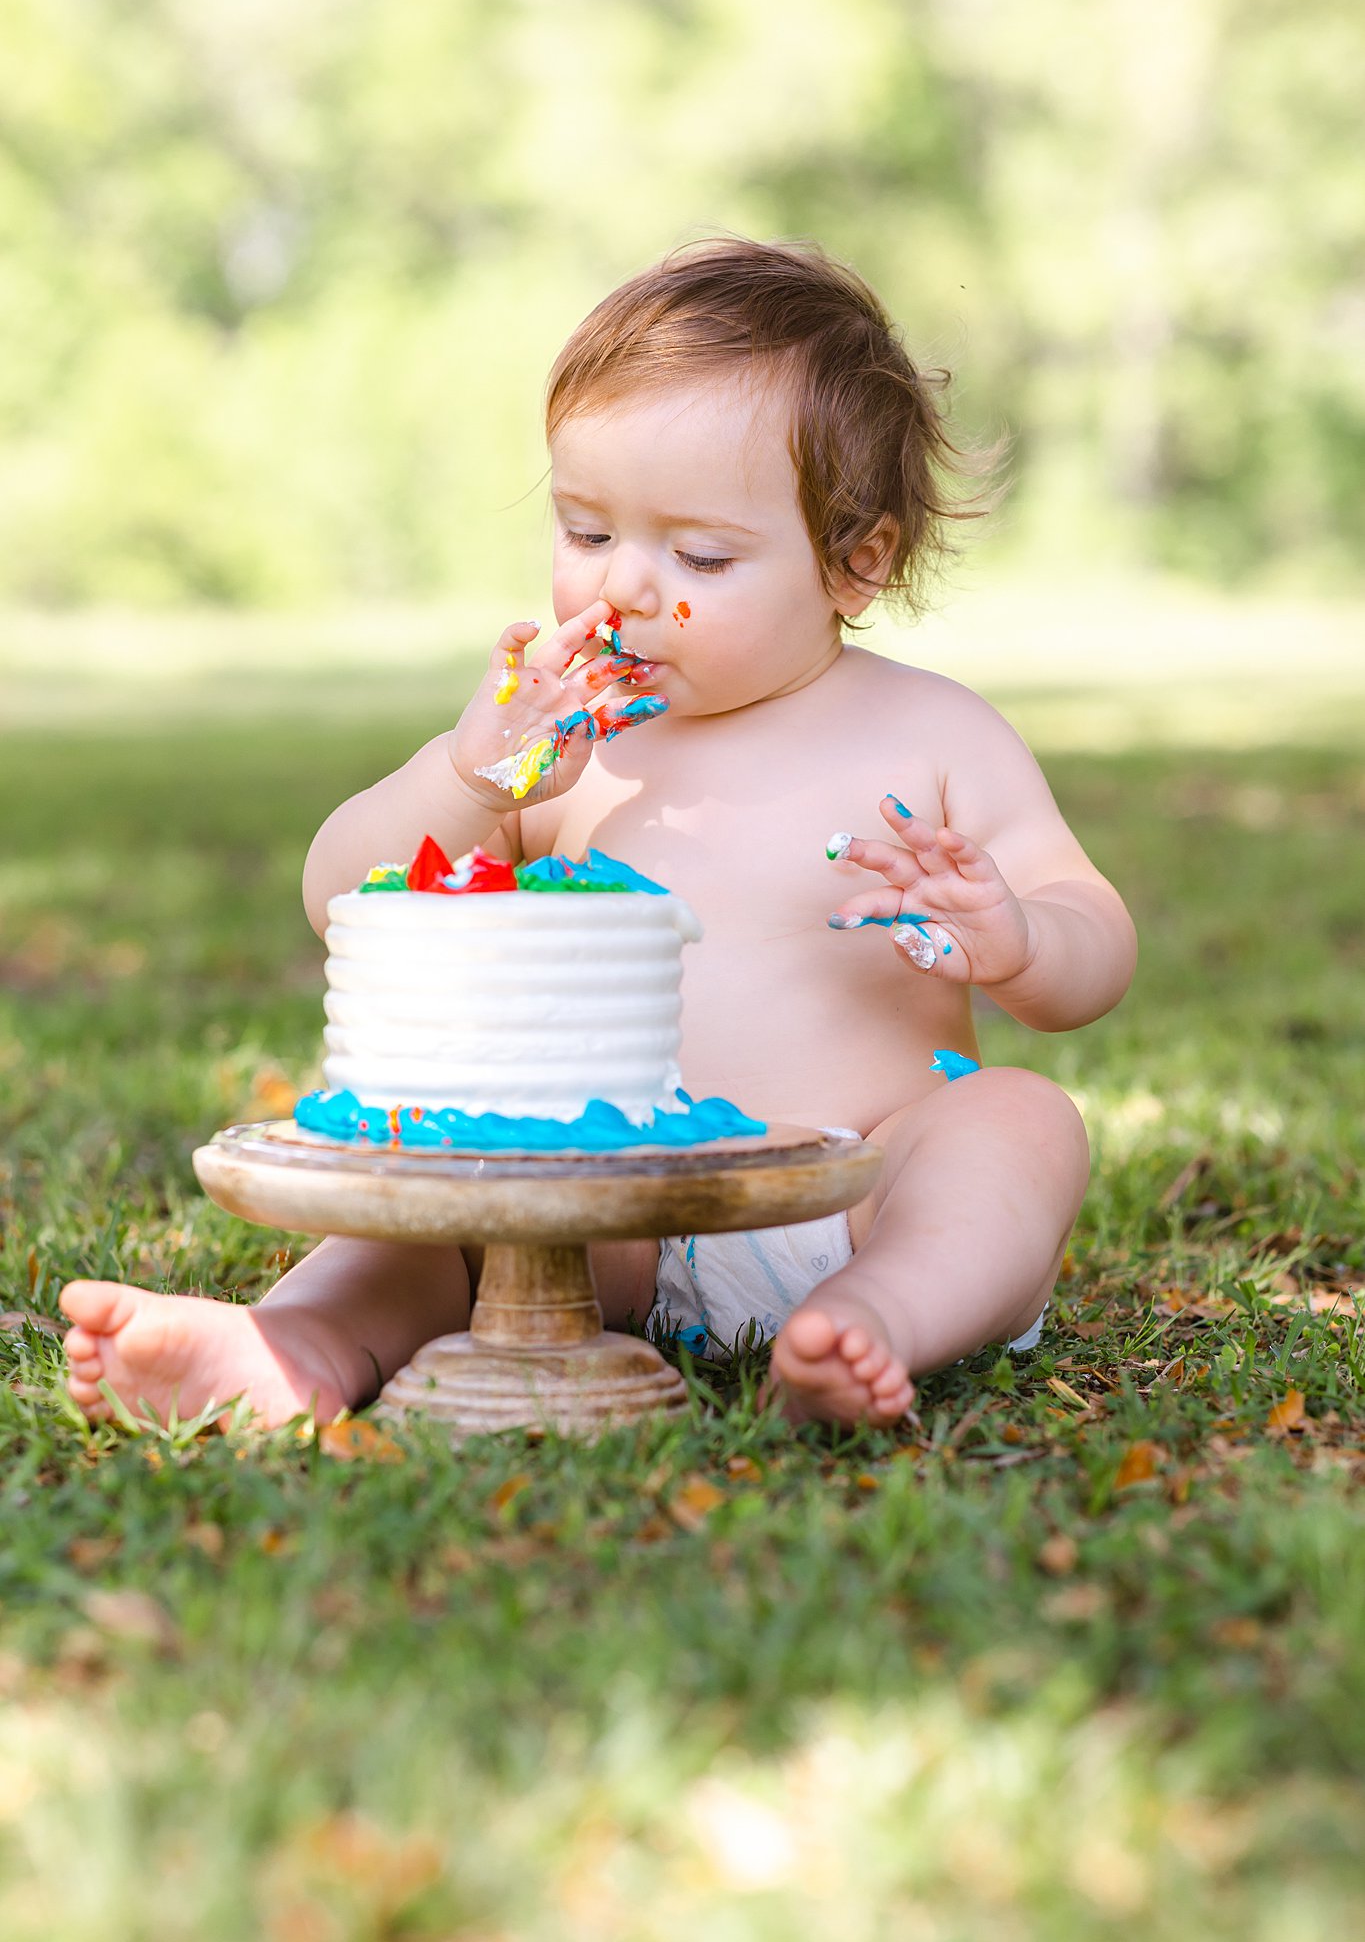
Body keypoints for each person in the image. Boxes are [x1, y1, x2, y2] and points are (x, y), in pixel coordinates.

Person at [60, 237, 1136, 1430]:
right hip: (587, 1212)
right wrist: (473, 775)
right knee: (439, 1185)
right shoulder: (558, 750)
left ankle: (875, 1321)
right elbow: (339, 893)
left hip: (850, 1196)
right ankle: (298, 1341)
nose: (623, 586)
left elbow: (1093, 936)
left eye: (700, 555)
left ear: (855, 561)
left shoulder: (935, 734)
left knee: (1017, 1124)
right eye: (584, 531)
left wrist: (1022, 936)